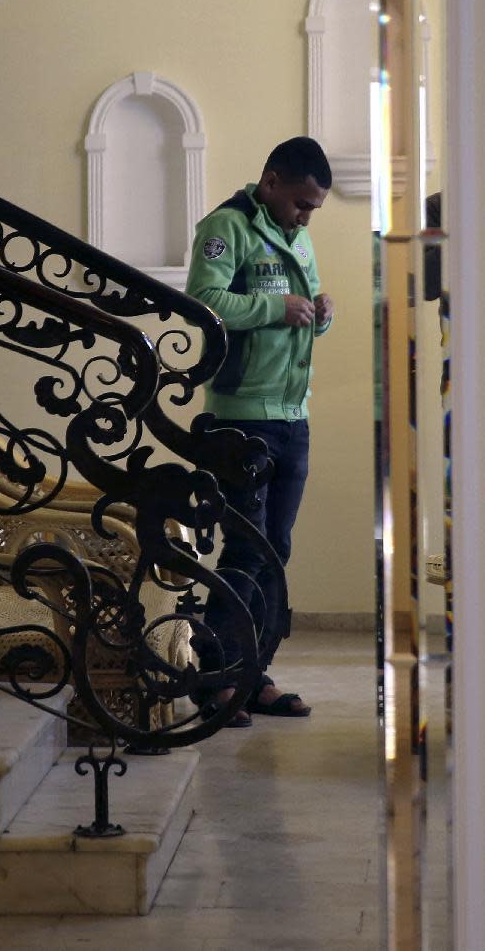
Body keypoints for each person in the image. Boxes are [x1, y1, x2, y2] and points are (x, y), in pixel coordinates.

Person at [185, 136, 334, 726]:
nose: (305, 215)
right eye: (300, 203)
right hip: (242, 414)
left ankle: (253, 675)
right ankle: (216, 677)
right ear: (271, 182)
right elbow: (203, 301)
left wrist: (320, 314)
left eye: (313, 209)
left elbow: (300, 319)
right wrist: (279, 308)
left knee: (276, 551)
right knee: (246, 547)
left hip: (293, 416)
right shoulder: (226, 227)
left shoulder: (298, 235)